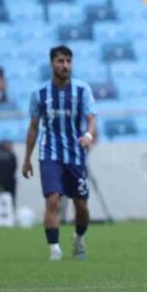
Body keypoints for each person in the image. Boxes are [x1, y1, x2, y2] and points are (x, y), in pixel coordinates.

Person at [21, 45, 98, 262]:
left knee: (81, 205)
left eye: (68, 61)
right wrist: (27, 158)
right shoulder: (39, 94)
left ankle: (78, 238)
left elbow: (91, 118)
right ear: (51, 64)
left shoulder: (82, 90)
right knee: (52, 200)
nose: (65, 65)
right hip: (50, 153)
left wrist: (89, 136)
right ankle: (54, 249)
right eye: (60, 61)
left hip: (75, 154)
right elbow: (34, 127)